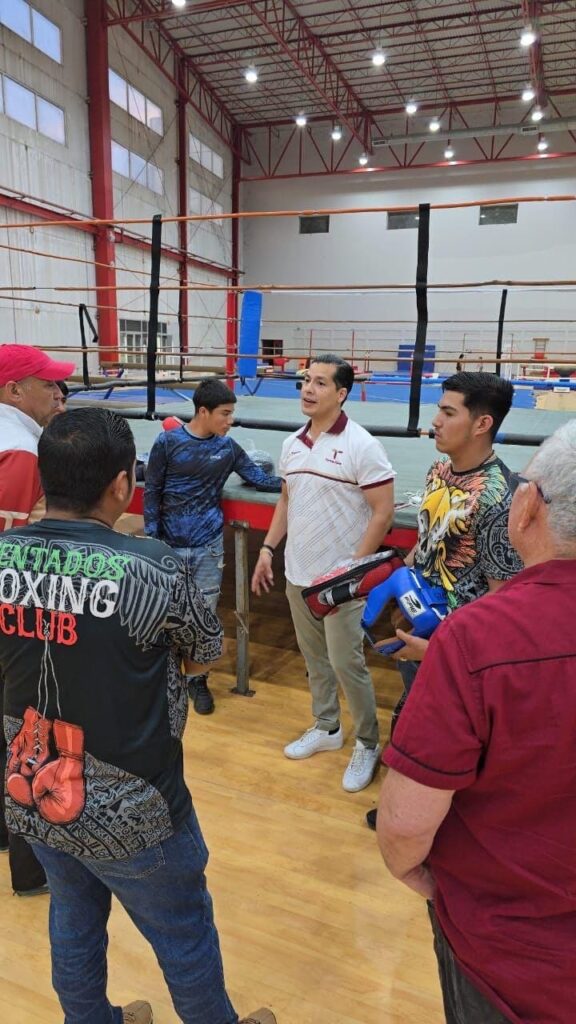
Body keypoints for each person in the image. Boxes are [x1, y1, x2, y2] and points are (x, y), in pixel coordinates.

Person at [0, 408, 276, 1024]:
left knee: (72, 912)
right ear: (123, 484)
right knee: (184, 934)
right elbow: (204, 653)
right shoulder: (153, 565)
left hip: (31, 787)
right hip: (137, 807)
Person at [377, 420, 576, 1024]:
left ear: (528, 505)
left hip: (512, 957)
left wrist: (423, 877)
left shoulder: (480, 640)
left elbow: (405, 827)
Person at [366, 371, 521, 828]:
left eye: (448, 412)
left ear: (482, 423)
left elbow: (503, 602)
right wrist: (397, 582)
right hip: (420, 625)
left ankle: (436, 827)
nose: (435, 420)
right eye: (439, 409)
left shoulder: (499, 499)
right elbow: (428, 541)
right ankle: (410, 811)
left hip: (457, 654)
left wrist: (441, 651)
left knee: (445, 744)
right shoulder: (440, 470)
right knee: (412, 723)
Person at [251, 354, 395, 793]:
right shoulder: (292, 444)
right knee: (315, 660)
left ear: (342, 393)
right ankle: (328, 726)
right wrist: (267, 549)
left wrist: (352, 571)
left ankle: (367, 742)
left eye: (320, 383)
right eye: (305, 381)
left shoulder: (362, 445)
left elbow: (383, 512)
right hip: (298, 574)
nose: (308, 390)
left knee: (347, 664)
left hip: (341, 585)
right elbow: (286, 500)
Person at [144, 378, 281, 715]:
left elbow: (259, 479)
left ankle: (197, 679)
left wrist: (300, 479)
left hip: (208, 547)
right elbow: (152, 492)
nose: (230, 420)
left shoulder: (228, 448)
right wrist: (153, 541)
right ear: (203, 412)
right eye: (225, 413)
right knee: (165, 613)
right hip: (169, 546)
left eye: (231, 413)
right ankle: (165, 678)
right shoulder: (167, 443)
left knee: (204, 615)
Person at [0, 342, 74, 896]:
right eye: (46, 384)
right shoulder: (20, 449)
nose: (56, 392)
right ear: (14, 390)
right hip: (14, 619)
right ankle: (30, 870)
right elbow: (16, 551)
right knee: (26, 731)